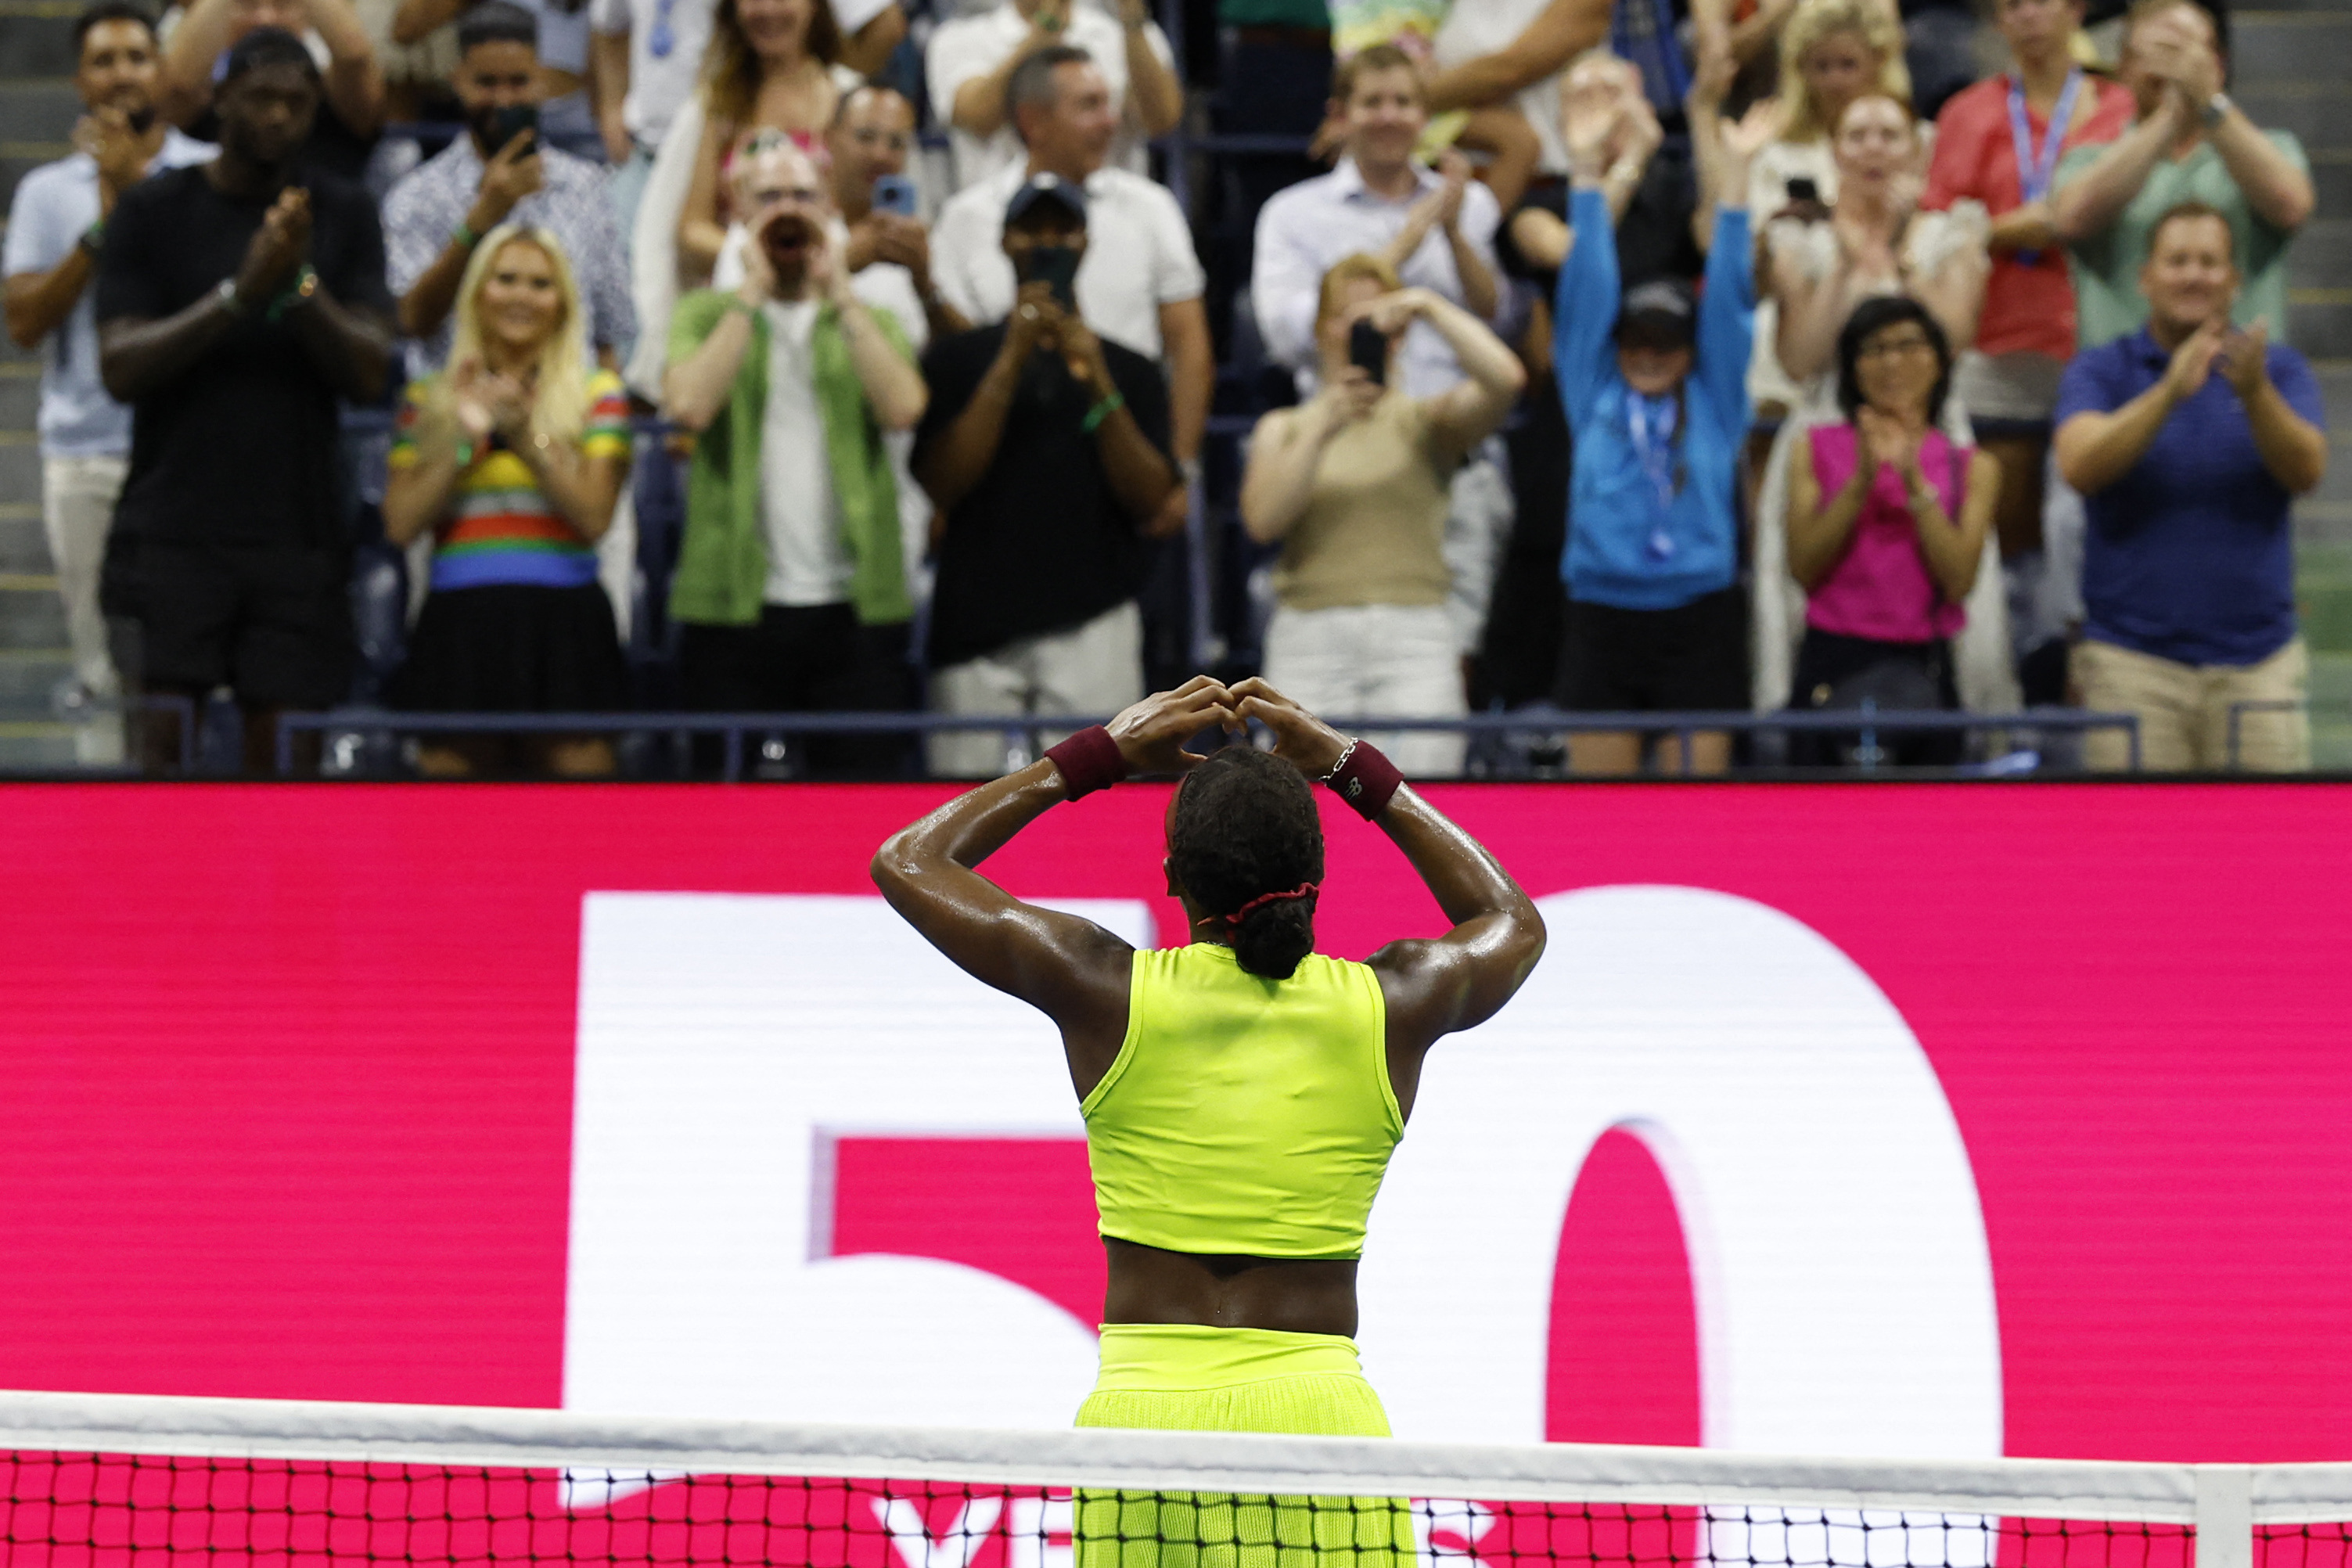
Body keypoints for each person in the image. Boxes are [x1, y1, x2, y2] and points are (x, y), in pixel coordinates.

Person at [868, 677, 1545, 1561]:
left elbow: (909, 861)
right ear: (1316, 881)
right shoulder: (1394, 1002)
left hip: (1142, 1431)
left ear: (1172, 880)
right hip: (1322, 1430)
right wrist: (1347, 766)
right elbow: (1511, 921)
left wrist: (1096, 757)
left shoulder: (1103, 988)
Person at [95, 27, 394, 774]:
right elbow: (121, 367)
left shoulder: (347, 212)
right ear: (220, 99)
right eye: (260, 98)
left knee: (287, 767)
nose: (278, 117)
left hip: (298, 535)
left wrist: (295, 286)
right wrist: (238, 296)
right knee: (160, 758)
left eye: (297, 103)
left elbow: (367, 370)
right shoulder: (151, 211)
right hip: (171, 530)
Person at [661, 137, 926, 776]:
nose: (788, 210)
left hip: (856, 607)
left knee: (863, 819)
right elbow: (690, 407)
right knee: (723, 817)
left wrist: (839, 289)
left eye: (803, 196)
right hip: (731, 608)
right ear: (737, 213)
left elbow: (904, 407)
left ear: (830, 208)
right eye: (769, 197)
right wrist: (749, 289)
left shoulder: (869, 314)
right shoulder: (704, 313)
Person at [4, 0, 218, 765]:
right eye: (104, 60)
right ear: (79, 80)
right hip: (87, 452)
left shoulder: (207, 175)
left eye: (136, 57)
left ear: (163, 72)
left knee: (192, 665)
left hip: (194, 453)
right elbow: (24, 322)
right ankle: (112, 835)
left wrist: (139, 196)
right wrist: (107, 214)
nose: (122, 73)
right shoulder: (46, 193)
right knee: (102, 667)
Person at [1253, 41, 1513, 663]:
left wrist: (1450, 231)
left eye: (1404, 101)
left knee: (1453, 653)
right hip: (1343, 448)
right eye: (1372, 102)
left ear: (1425, 116)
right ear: (1340, 114)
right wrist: (1404, 247)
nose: (1390, 116)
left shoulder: (1469, 203)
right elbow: (1286, 333)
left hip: (1454, 440)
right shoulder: (1294, 213)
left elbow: (1493, 313)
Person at [913, 175, 1178, 779]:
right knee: (963, 815)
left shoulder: (1130, 369)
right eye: (1032, 229)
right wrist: (1011, 356)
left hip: (1094, 615)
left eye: (1063, 229)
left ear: (1085, 242)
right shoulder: (957, 360)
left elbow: (1152, 498)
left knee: (1097, 816)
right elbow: (942, 483)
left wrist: (1095, 380)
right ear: (1005, 242)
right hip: (977, 621)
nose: (1047, 243)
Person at [1551, 60, 1775, 775]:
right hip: (1601, 615)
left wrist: (1735, 184)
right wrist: (1586, 169)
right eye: (1636, 341)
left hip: (1699, 615)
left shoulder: (1716, 402)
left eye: (1667, 343)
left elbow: (1732, 299)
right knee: (1599, 821)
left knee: (1695, 819)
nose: (1649, 354)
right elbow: (1587, 285)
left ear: (1690, 351)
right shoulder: (1593, 392)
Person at [1752, 90, 2002, 719]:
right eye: (1857, 135)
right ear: (1835, 153)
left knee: (1956, 603)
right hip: (1827, 428)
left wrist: (1898, 252)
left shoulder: (1954, 230)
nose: (1873, 149)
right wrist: (1844, 263)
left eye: (1889, 135)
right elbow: (1801, 359)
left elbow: (1952, 340)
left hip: (1932, 430)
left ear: (1916, 150)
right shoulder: (1801, 235)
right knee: (1802, 598)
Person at [2053, 202, 2325, 771]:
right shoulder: (2101, 370)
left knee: (2267, 851)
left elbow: (2307, 471)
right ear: (2145, 278)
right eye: (2177, 261)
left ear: (2234, 280)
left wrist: (2254, 395)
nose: (2194, 274)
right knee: (2138, 853)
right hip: (2132, 667)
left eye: (2209, 262)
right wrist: (2167, 393)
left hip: (2257, 667)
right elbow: (2080, 465)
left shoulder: (2280, 372)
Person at [1920, 0, 2132, 699]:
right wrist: (2053, 220)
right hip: (1995, 344)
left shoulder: (2122, 107)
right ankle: (2005, 689)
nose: (2027, 14)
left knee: (2086, 529)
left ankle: (2089, 680)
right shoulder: (1969, 113)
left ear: (2075, 8)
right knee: (2000, 534)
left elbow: (2124, 212)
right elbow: (1944, 232)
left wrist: (2002, 225)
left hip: (2099, 343)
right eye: (2010, 4)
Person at [1239, 257, 1522, 779]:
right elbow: (1263, 521)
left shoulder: (1425, 420)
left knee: (1425, 800)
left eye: (1380, 317)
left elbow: (1505, 380)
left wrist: (1429, 305)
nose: (1367, 329)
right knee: (1292, 801)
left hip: (1414, 635)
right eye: (1351, 317)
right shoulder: (1285, 427)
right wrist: (1326, 421)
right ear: (1325, 329)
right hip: (1309, 632)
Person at [380, 226, 633, 777]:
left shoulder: (599, 394)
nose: (521, 296)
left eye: (540, 284)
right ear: (478, 293)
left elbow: (593, 516)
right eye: (506, 280)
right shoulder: (427, 399)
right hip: (459, 626)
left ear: (563, 302)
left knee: (579, 817)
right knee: (454, 827)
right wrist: (466, 439)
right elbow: (400, 524)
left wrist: (524, 438)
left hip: (566, 626)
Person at [929, 46, 1210, 540]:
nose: (1111, 121)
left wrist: (1180, 470)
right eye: (1090, 106)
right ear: (1032, 121)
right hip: (1002, 464)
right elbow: (955, 356)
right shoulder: (966, 218)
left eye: (1109, 103)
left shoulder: (1152, 208)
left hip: (1129, 463)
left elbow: (1189, 345)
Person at [1783, 296, 1999, 764]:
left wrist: (1913, 480)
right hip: (1833, 656)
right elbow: (1804, 565)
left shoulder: (1972, 467)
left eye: (1909, 346)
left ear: (1939, 362)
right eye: (1875, 349)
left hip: (1924, 660)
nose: (1893, 362)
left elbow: (1959, 579)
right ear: (1853, 367)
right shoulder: (1813, 448)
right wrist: (1861, 480)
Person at [382, 2, 633, 378]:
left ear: (542, 82)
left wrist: (611, 424)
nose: (503, 100)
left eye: (518, 82)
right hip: (459, 416)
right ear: (457, 82)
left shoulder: (586, 188)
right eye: (486, 83)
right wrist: (482, 218)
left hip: (564, 418)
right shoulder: (417, 197)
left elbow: (607, 334)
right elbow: (413, 321)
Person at [2050, 0, 2311, 351]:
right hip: (2122, 396)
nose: (2172, 67)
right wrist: (2170, 118)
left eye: (2184, 50)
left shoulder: (2273, 147)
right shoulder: (2087, 159)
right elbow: (2071, 219)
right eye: (2156, 53)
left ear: (2217, 63)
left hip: (2239, 392)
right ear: (2124, 65)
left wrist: (2208, 103)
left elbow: (2291, 206)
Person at [1742, 0, 1912, 419]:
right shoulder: (1778, 155)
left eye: (1848, 64)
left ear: (1878, 63)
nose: (1835, 80)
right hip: (1802, 312)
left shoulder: (1917, 142)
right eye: (1822, 67)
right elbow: (1765, 255)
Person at [925, 0, 1180, 191]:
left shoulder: (1128, 31)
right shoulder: (958, 37)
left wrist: (1132, 17)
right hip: (999, 224)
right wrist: (1050, 22)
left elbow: (1162, 120)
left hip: (1112, 221)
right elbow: (978, 117)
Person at [156, 0, 386, 183]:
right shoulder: (207, 84)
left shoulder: (331, 82)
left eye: (282, 4)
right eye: (247, 4)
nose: (265, 18)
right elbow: (177, 87)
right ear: (223, 96)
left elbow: (355, 58)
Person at [588, 0, 717, 245]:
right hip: (643, 150)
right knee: (611, 248)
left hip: (707, 151)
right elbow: (608, 28)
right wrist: (612, 107)